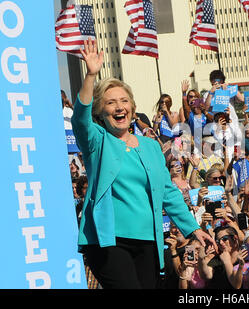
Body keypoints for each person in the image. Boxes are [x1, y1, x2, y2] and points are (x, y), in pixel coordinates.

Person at [71, 39, 216, 289]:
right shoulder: (97, 140)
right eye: (110, 102)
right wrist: (90, 76)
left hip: (149, 240)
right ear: (100, 113)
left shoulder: (150, 146)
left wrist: (193, 229)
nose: (119, 107)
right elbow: (80, 120)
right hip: (108, 242)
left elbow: (168, 192)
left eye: (124, 101)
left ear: (133, 108)